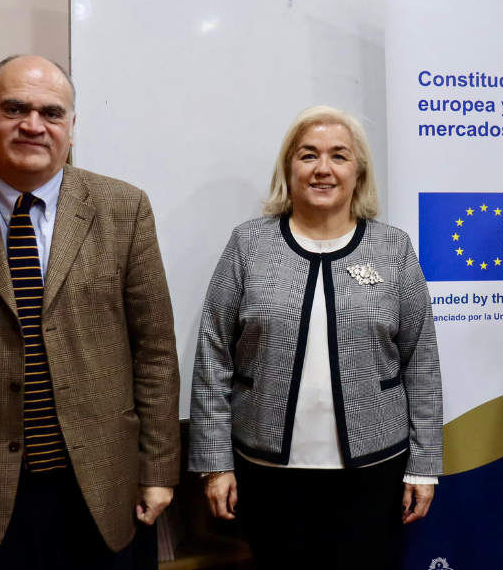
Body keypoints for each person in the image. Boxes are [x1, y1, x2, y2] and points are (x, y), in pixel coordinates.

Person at [189, 105, 443, 569]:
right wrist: (215, 463)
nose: (323, 168)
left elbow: (421, 362)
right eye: (308, 155)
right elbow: (213, 356)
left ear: (358, 172)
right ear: (289, 169)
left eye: (338, 156)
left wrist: (424, 466)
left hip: (374, 471)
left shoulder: (394, 249)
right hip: (267, 472)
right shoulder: (248, 245)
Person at [0, 55, 180, 569]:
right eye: (14, 108)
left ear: (71, 125)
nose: (33, 125)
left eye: (51, 113)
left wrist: (157, 471)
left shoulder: (124, 209)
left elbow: (154, 350)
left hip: (103, 488)